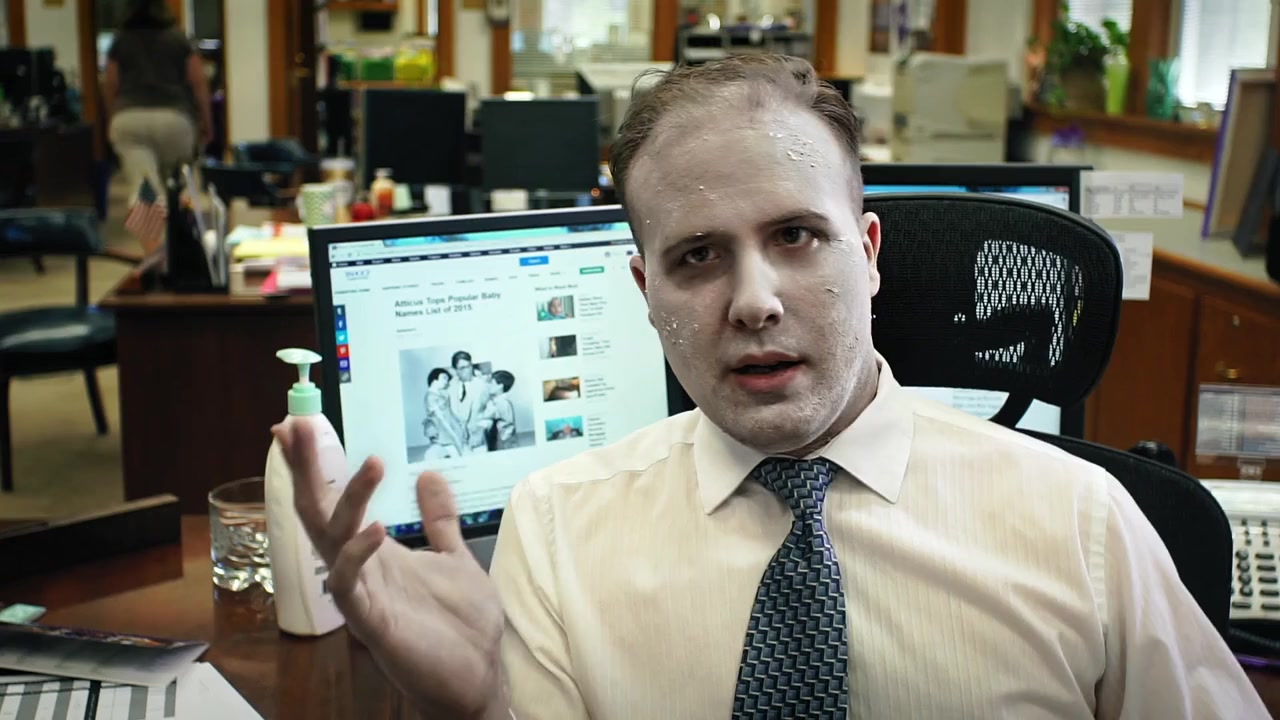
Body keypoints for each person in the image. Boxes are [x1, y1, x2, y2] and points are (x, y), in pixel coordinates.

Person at [273, 55, 1267, 719]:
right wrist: (475, 708)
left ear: (866, 254)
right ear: (644, 291)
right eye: (697, 256)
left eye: (795, 236)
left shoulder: (1081, 522)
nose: (753, 302)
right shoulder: (557, 529)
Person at [102, 0, 212, 250]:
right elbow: (198, 82)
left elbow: (110, 84)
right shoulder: (178, 39)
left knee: (146, 190)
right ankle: (181, 250)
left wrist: (112, 117)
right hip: (175, 120)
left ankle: (153, 255)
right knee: (178, 188)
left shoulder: (120, 41)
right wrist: (207, 122)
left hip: (129, 119)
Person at [423, 368, 466, 458]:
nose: (446, 381)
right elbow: (441, 419)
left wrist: (459, 424)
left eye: (447, 379)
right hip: (443, 434)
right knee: (454, 454)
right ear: (434, 380)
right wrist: (454, 435)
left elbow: (450, 412)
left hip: (452, 429)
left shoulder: (444, 394)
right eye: (444, 378)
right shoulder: (430, 397)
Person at [476, 371, 517, 451]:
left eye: (491, 383)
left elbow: (483, 419)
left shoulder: (501, 403)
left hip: (502, 444)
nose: (488, 385)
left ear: (500, 386)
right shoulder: (495, 401)